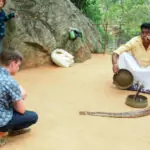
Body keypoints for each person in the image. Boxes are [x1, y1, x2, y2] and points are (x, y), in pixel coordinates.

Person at [0, 50, 38, 146]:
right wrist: (21, 96)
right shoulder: (10, 82)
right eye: (18, 65)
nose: (18, 68)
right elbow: (21, 110)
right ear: (13, 64)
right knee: (32, 116)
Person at [112, 22, 150, 93]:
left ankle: (142, 85)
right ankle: (131, 82)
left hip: (148, 71)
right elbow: (116, 53)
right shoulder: (135, 40)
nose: (144, 35)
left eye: (148, 33)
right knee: (123, 55)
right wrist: (115, 64)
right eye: (143, 33)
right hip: (135, 68)